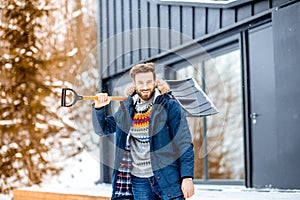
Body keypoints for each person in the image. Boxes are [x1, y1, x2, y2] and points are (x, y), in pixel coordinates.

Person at [92, 62, 195, 200]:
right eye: (140, 83)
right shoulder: (126, 109)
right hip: (139, 181)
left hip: (167, 178)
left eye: (149, 82)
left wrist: (187, 177)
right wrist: (99, 108)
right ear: (134, 84)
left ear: (155, 81)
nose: (145, 87)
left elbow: (184, 142)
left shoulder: (169, 105)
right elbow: (102, 129)